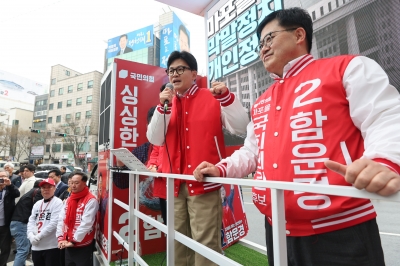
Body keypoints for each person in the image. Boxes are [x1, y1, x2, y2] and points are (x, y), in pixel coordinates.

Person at [194, 7, 400, 266]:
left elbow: (384, 116)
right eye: (260, 44)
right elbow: (251, 152)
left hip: (340, 232)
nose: (263, 48)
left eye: (269, 38)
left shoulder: (347, 68)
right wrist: (221, 168)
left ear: (299, 34)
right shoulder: (262, 101)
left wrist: (384, 161)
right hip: (277, 230)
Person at [146, 50, 249, 265]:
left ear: (194, 73)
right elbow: (155, 138)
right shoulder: (167, 103)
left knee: (205, 245)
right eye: (171, 70)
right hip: (173, 185)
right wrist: (162, 108)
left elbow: (240, 127)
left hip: (204, 183)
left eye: (180, 69)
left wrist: (227, 99)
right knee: (177, 243)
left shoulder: (212, 97)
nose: (174, 74)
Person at [57, 172, 99, 266]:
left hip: (82, 245)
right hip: (68, 243)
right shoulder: (69, 199)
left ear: (84, 183)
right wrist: (60, 238)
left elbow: (86, 223)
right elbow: (61, 219)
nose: (73, 185)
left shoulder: (91, 200)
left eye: (76, 183)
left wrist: (74, 240)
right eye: (71, 183)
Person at [27, 178, 63, 266]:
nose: (46, 189)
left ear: (54, 188)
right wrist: (30, 236)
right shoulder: (38, 203)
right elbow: (31, 221)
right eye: (43, 187)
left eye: (49, 187)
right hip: (36, 246)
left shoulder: (58, 202)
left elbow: (54, 223)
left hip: (51, 246)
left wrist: (39, 236)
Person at [11, 180, 43, 266]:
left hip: (17, 223)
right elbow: (38, 209)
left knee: (22, 250)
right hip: (21, 223)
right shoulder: (38, 192)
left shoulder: (31, 192)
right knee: (23, 251)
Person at [0, 171, 20, 266]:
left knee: (5, 248)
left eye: (4, 176)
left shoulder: (10, 190)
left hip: (5, 224)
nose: (2, 179)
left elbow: (17, 193)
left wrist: (9, 185)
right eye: (0, 177)